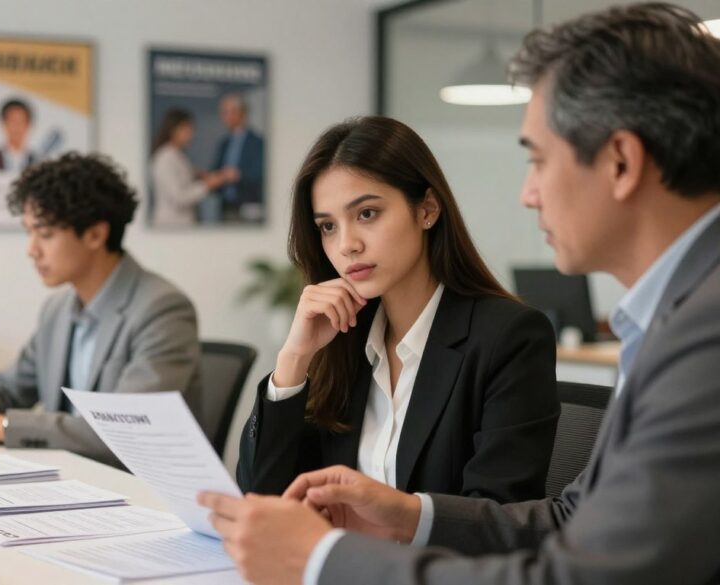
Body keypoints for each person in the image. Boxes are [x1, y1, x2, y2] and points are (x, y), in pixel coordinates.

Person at [198, 4, 720, 584]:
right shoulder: (668, 321)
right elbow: (574, 520)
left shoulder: (702, 332)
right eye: (327, 226)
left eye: (537, 159)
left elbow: (588, 574)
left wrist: (326, 561)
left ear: (621, 162)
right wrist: (405, 511)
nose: (527, 194)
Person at [236, 116, 559, 502]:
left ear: (427, 210)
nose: (347, 245)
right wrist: (294, 358)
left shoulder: (509, 339)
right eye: (327, 226)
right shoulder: (343, 340)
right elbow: (261, 497)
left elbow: (496, 521)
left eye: (366, 214)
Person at [0, 152, 202, 464]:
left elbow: (129, 430)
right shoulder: (57, 310)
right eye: (28, 232)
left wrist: (0, 425)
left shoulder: (162, 309)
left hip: (136, 492)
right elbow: (8, 391)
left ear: (96, 234)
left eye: (44, 233)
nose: (31, 250)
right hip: (71, 481)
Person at [149, 108, 237, 227]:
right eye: (187, 129)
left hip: (183, 225)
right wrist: (208, 184)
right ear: (173, 130)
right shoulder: (165, 157)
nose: (191, 134)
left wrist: (198, 175)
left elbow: (182, 178)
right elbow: (179, 198)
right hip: (172, 226)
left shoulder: (177, 155)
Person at [210, 93, 265, 223]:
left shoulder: (258, 142)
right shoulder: (224, 143)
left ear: (241, 112)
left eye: (227, 112)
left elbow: (261, 173)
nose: (224, 117)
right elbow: (216, 169)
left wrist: (237, 175)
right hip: (226, 207)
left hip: (249, 206)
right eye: (223, 112)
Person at [0, 98, 41, 173]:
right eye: (12, 121)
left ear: (28, 125)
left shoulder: (40, 163)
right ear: (3, 124)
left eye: (21, 121)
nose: (17, 127)